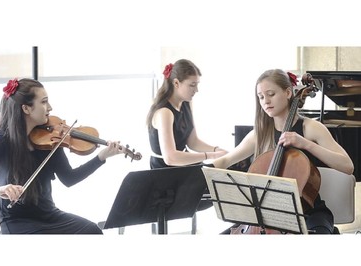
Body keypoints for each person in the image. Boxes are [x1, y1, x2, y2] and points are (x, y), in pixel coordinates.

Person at [212, 69, 354, 234]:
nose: (265, 101)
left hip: (308, 213)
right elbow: (225, 160)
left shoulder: (311, 128)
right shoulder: (260, 133)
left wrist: (305, 144)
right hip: (266, 214)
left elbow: (347, 166)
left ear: (288, 93)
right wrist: (203, 171)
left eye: (271, 94)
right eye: (261, 97)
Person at [0, 78, 127, 234]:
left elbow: (69, 178)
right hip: (17, 222)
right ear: (26, 109)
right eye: (44, 102)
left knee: (92, 231)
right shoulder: (2, 139)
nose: (50, 107)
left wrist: (101, 157)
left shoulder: (51, 138)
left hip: (49, 215)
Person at [147, 59, 227, 169]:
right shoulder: (164, 112)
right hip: (164, 173)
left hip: (182, 166)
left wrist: (216, 150)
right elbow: (171, 158)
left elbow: (192, 141)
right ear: (176, 83)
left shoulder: (187, 103)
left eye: (197, 84)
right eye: (192, 85)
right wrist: (211, 155)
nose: (196, 90)